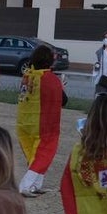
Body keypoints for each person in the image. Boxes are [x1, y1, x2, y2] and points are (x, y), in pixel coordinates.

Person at [15, 45, 64, 197]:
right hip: (43, 125)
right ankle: (25, 185)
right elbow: (63, 100)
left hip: (24, 124)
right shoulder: (51, 79)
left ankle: (36, 185)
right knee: (44, 154)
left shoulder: (27, 75)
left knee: (35, 155)